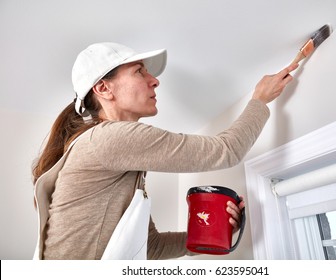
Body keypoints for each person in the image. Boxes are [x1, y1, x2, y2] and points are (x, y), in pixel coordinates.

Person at [32, 42, 298, 260]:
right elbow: (226, 150)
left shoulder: (111, 151)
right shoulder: (110, 139)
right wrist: (260, 100)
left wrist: (207, 234)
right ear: (103, 88)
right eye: (139, 72)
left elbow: (152, 247)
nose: (154, 81)